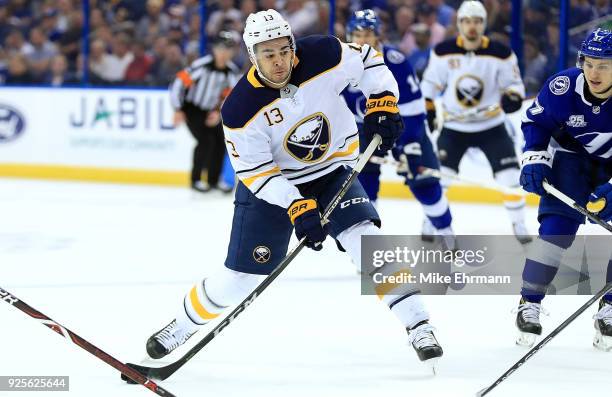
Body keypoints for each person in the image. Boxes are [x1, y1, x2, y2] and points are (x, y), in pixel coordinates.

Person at [146, 9, 443, 366]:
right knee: (241, 278)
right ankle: (182, 324)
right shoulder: (240, 108)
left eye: (283, 50)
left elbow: (367, 60)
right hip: (276, 185)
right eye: (267, 54)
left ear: (292, 45)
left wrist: (381, 99)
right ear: (252, 55)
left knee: (365, 240)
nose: (278, 61)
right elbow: (257, 173)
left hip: (333, 167)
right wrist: (296, 203)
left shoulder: (323, 54)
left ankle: (418, 324)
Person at [515, 28, 612, 350]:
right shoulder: (563, 86)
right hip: (571, 159)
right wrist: (534, 158)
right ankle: (529, 302)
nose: (594, 73)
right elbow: (536, 123)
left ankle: (610, 305)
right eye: (589, 63)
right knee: (556, 230)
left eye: (604, 65)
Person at [420, 0, 531, 244]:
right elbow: (428, 86)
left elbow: (514, 86)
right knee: (440, 178)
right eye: (467, 21)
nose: (472, 26)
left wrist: (513, 97)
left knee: (511, 179)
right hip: (454, 127)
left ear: (484, 23)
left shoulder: (501, 53)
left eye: (477, 21)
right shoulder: (443, 51)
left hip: (490, 126)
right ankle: (430, 222)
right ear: (459, 23)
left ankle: (519, 224)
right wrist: (428, 110)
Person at [341, 10, 454, 244]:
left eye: (368, 34)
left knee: (424, 182)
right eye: (357, 34)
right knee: (363, 187)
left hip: (400, 125)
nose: (362, 40)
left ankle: (446, 234)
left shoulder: (395, 61)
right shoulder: (339, 63)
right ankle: (368, 245)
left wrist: (411, 143)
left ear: (378, 35)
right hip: (362, 130)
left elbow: (413, 108)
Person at [170, 31, 241, 193]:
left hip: (212, 111)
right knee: (205, 141)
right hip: (192, 109)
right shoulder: (201, 67)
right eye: (220, 49)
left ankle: (213, 181)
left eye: (228, 50)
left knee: (219, 141)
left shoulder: (232, 72)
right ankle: (195, 180)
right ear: (214, 49)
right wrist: (178, 109)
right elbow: (178, 83)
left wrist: (218, 112)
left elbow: (231, 95)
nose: (224, 53)